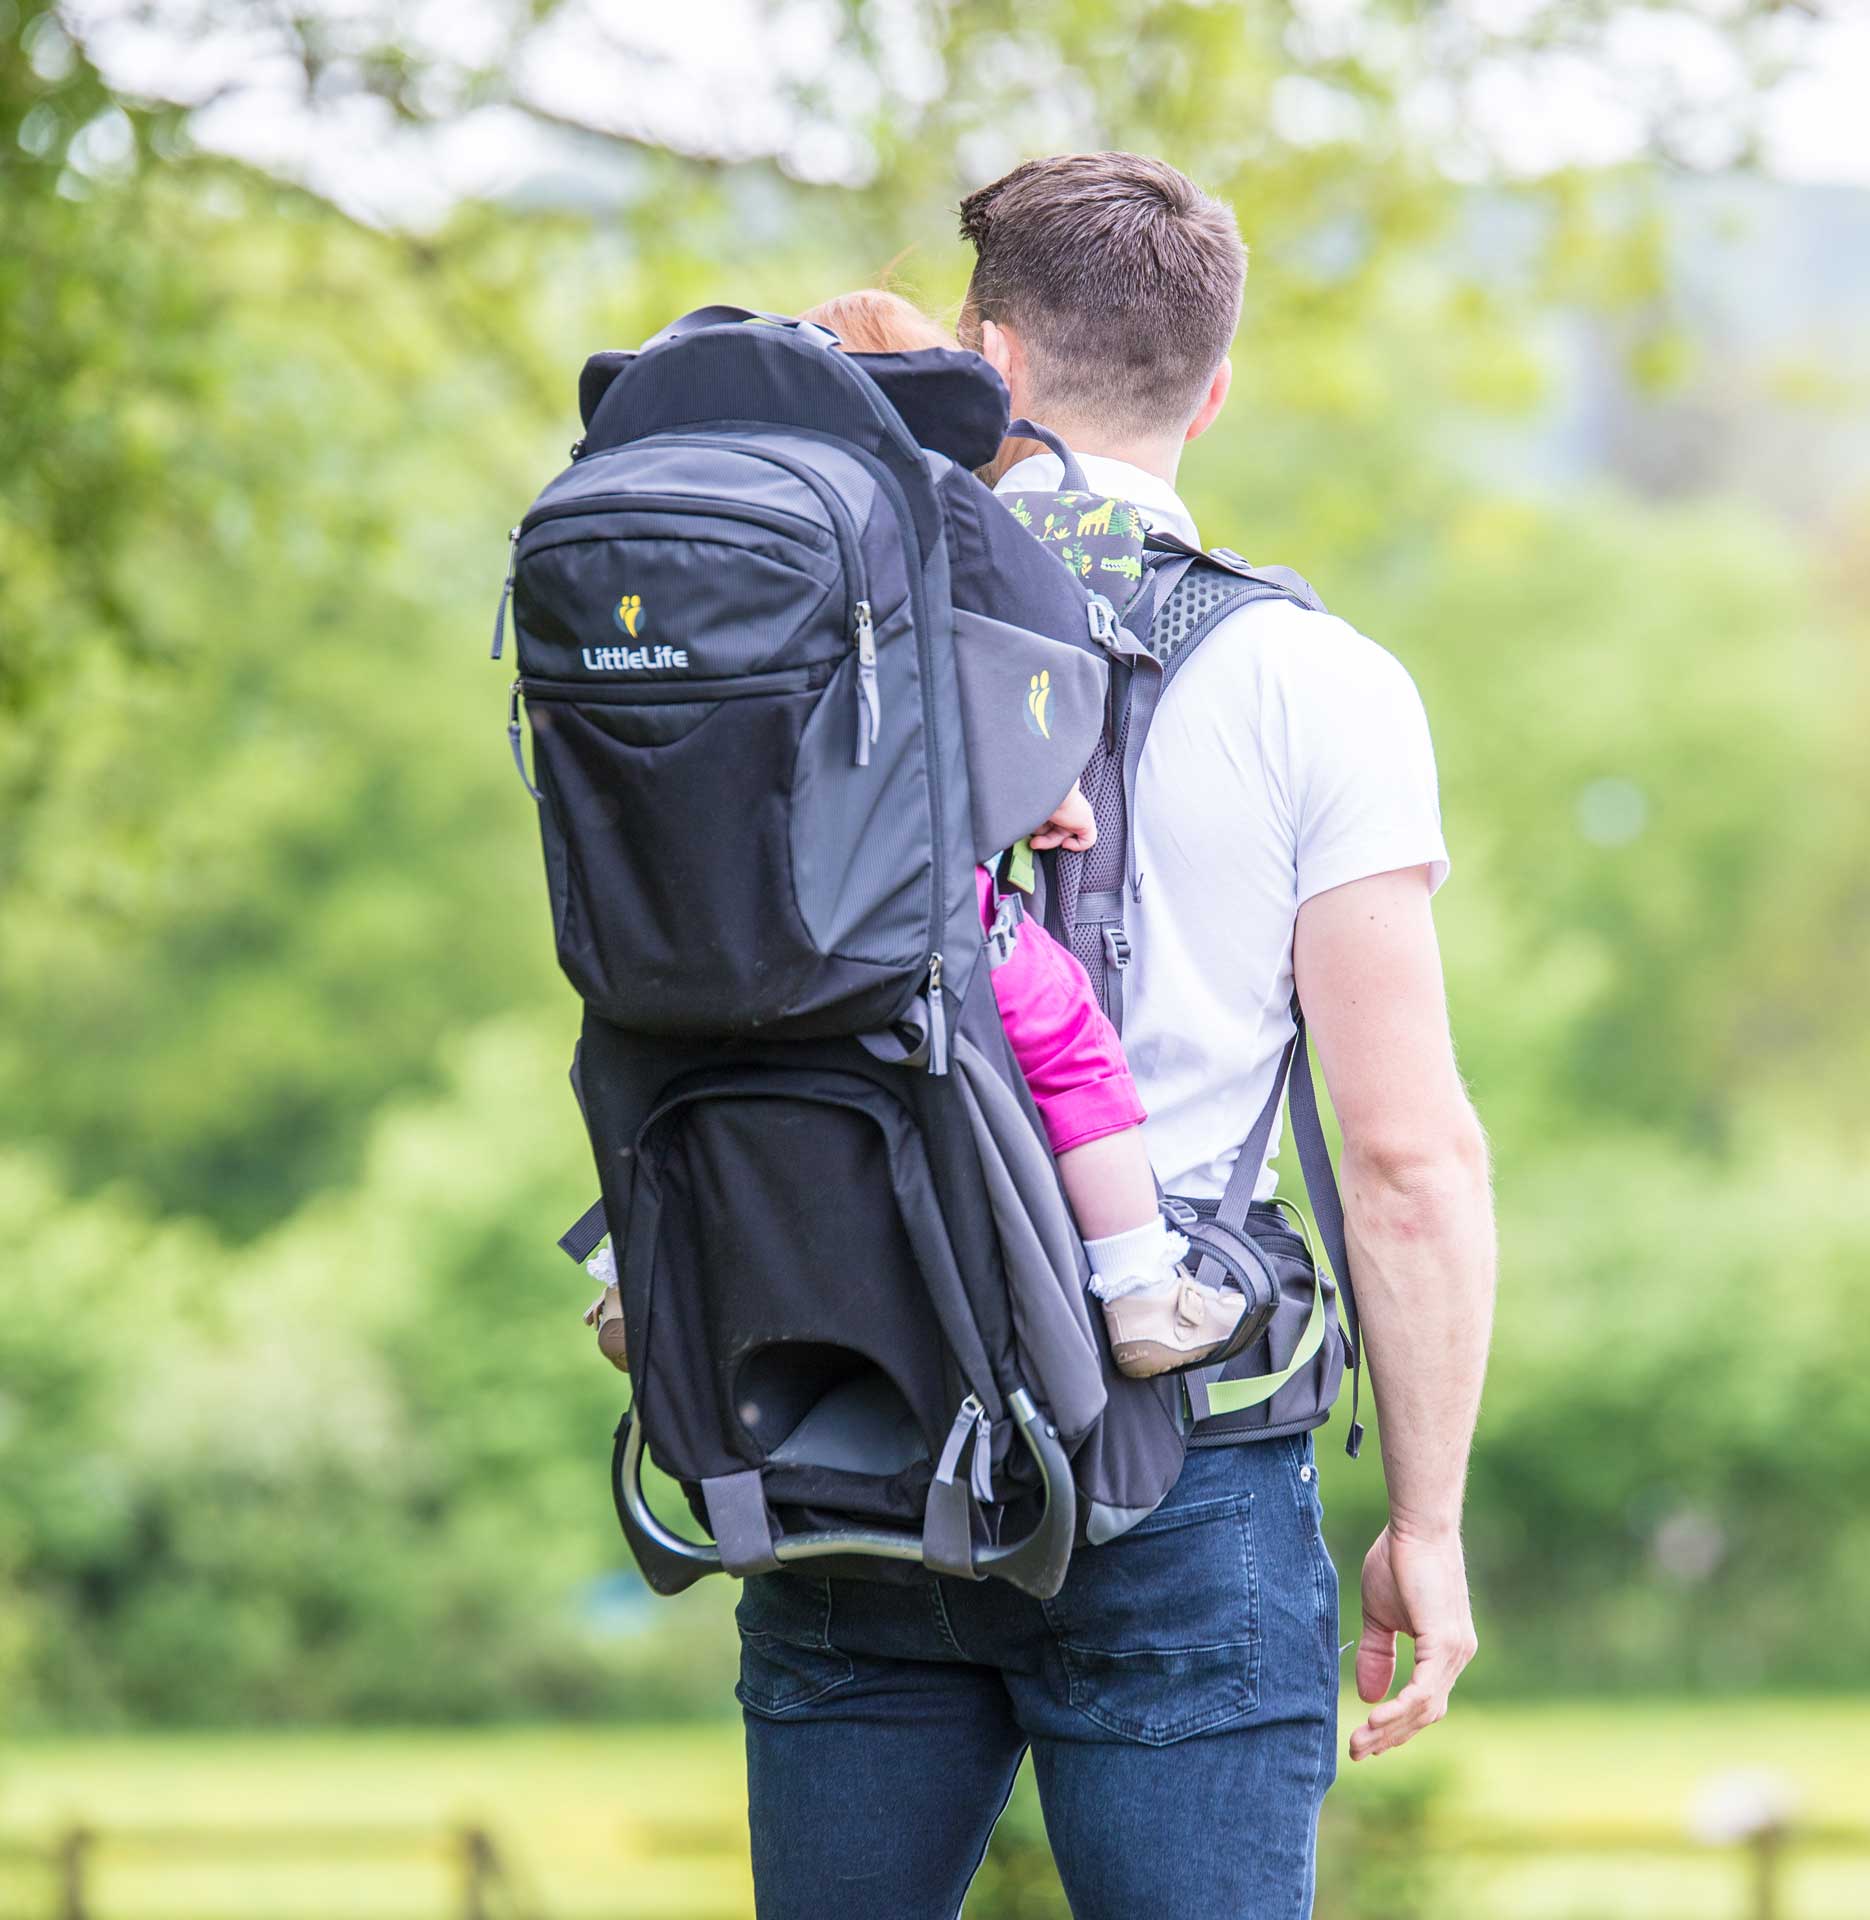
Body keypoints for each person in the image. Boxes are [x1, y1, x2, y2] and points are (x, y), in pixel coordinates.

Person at [735, 155, 1498, 1920]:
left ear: (986, 357)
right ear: (1214, 389)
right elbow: (1404, 1157)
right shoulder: (1319, 685)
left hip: (852, 1418)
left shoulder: (815, 628)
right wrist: (1428, 1522)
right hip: (1178, 1452)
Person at [585, 286, 1250, 1386]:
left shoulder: (704, 560)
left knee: (679, 1054)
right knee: (1066, 1038)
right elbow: (1001, 710)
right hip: (896, 920)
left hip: (688, 917)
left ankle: (629, 1269)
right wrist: (1052, 796)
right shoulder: (929, 517)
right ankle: (1141, 1284)